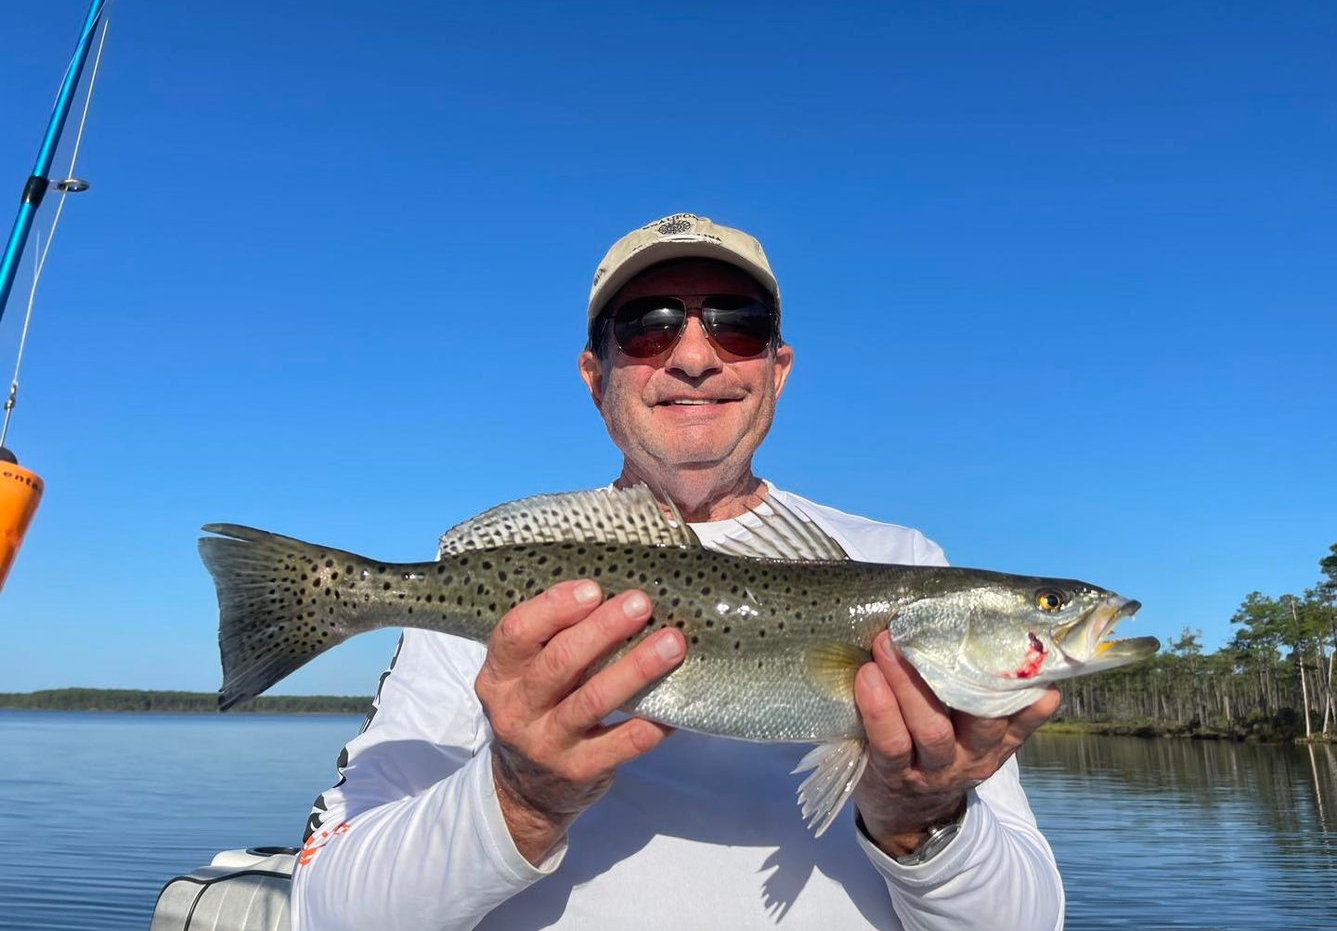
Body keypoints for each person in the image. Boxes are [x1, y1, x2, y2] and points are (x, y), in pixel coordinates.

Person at [290, 213, 1065, 930]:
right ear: (595, 375)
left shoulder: (906, 566)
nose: (694, 357)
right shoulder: (506, 594)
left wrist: (920, 818)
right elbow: (327, 913)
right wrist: (519, 799)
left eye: (738, 325)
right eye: (648, 327)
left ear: (777, 368)